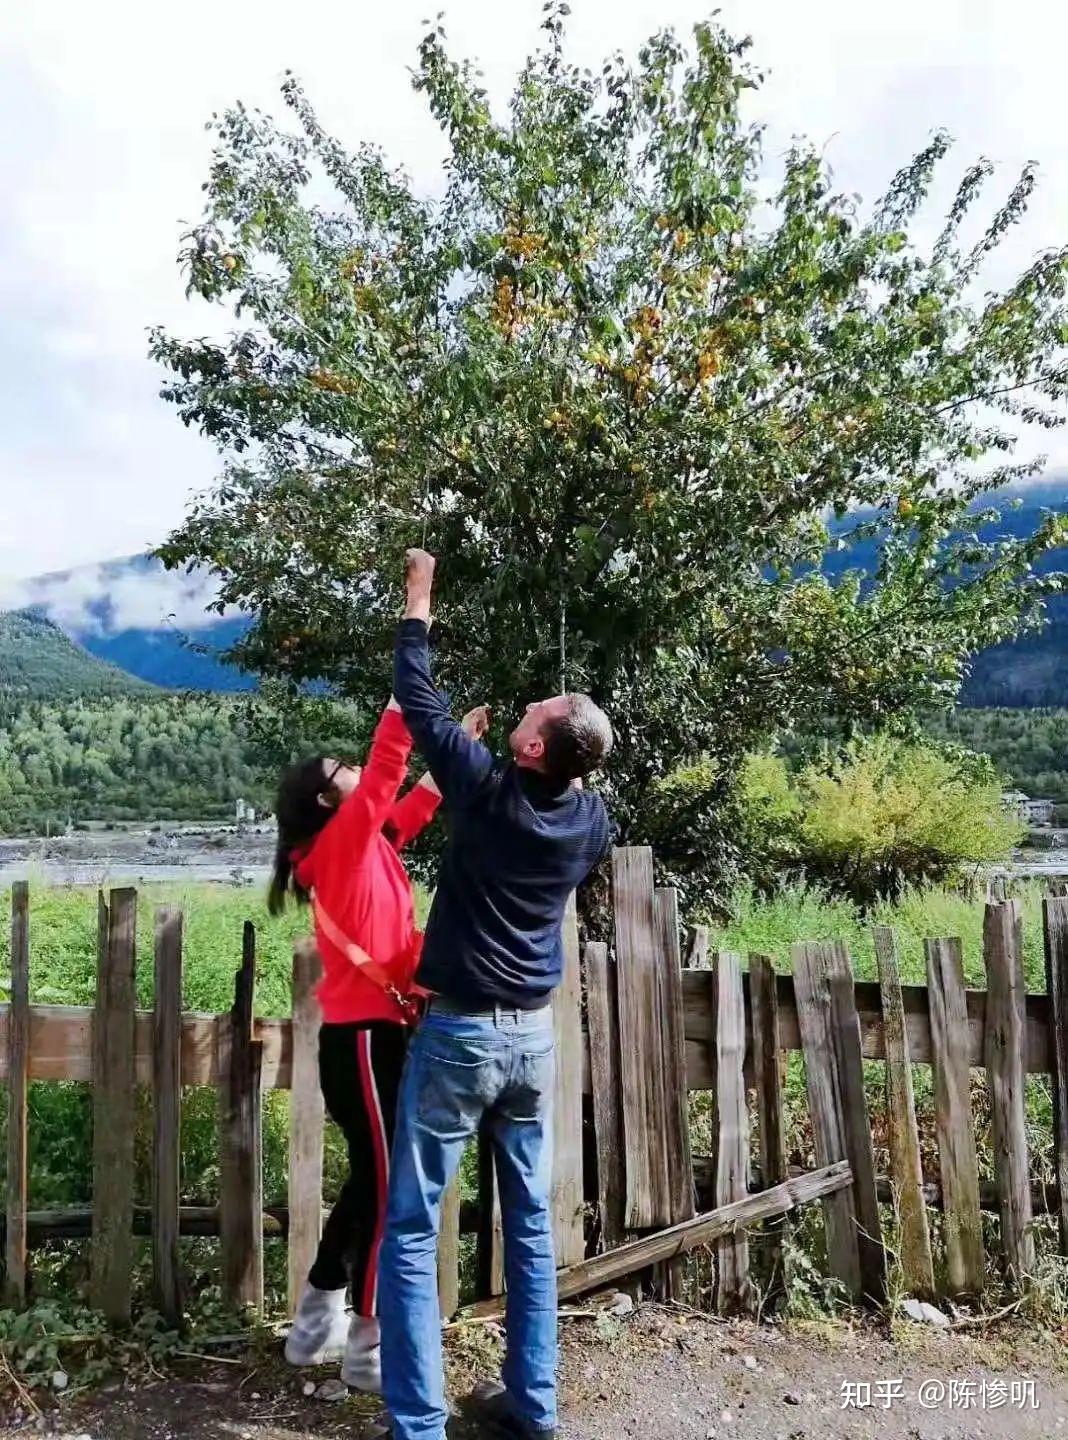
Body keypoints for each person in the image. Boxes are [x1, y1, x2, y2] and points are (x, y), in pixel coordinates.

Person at [378, 549, 614, 1440]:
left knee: (409, 1228)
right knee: (530, 1223)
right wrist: (564, 747)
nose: (527, 707)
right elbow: (572, 775)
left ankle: (419, 1427)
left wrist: (419, 596)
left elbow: (415, 690)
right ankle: (534, 1409)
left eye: (536, 714)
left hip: (460, 1038)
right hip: (531, 1042)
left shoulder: (480, 788)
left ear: (526, 747)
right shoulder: (585, 819)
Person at [268, 695, 485, 1392]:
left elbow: (403, 814)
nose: (359, 771)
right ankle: (367, 1343)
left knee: (372, 1180)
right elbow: (387, 773)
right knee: (389, 1188)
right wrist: (403, 704)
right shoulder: (340, 847)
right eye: (345, 772)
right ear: (330, 802)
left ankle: (315, 1321)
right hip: (364, 1043)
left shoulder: (358, 850)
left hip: (372, 1038)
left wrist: (451, 751)